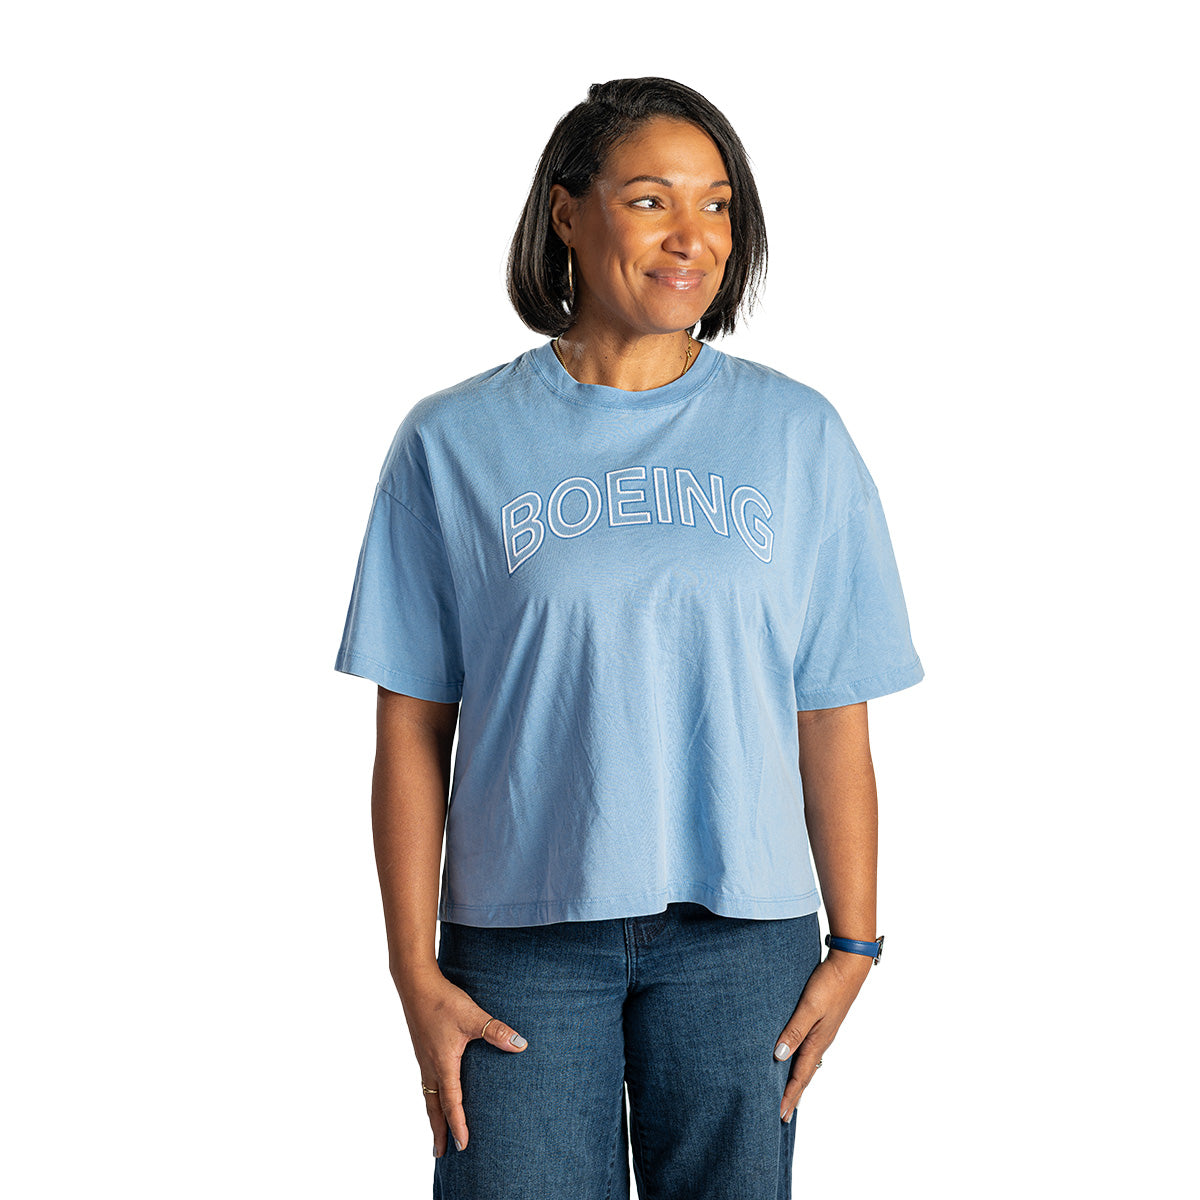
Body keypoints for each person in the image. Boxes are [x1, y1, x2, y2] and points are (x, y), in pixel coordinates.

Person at [334, 76, 923, 1200]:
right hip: (520, 939)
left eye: (716, 205)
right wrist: (413, 967)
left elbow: (831, 707)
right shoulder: (452, 442)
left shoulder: (798, 437)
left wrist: (855, 945)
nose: (690, 236)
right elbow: (411, 730)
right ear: (567, 211)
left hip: (742, 939)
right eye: (651, 199)